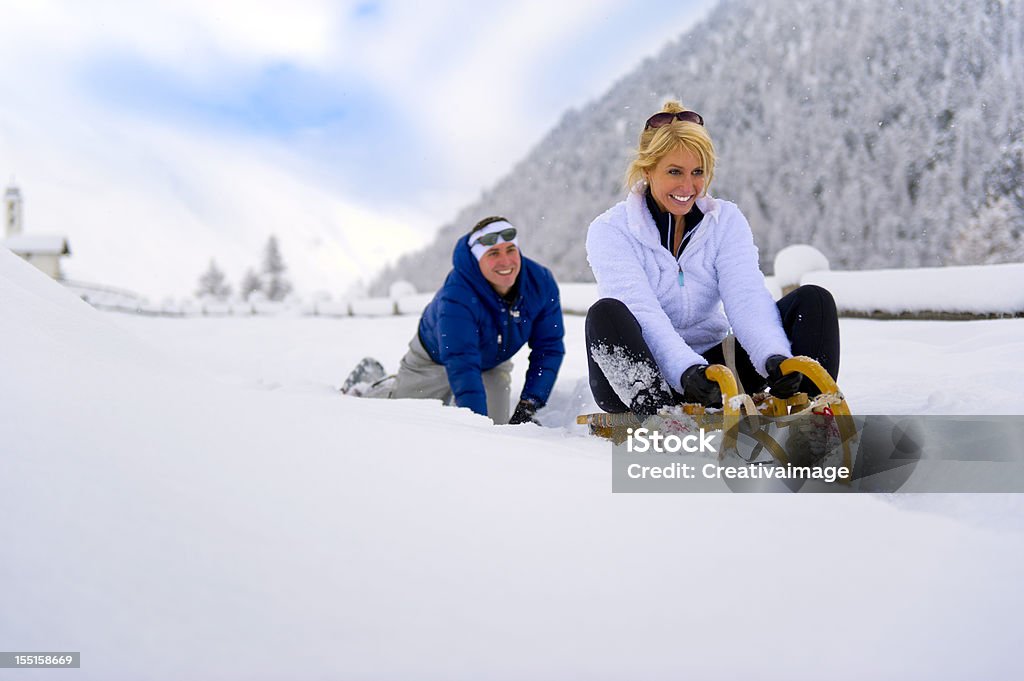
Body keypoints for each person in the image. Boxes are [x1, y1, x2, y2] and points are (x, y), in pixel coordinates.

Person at [584, 101, 840, 419]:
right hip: (641, 376)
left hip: (714, 373)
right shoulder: (611, 230)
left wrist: (773, 356)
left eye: (698, 172)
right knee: (606, 313)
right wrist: (685, 370)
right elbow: (641, 310)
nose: (687, 186)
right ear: (647, 170)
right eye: (674, 172)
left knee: (814, 301)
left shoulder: (725, 221)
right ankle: (661, 421)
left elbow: (745, 296)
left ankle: (814, 415)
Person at [341, 216, 565, 425]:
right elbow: (462, 361)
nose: (505, 261)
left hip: (492, 363)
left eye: (510, 250)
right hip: (433, 359)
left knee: (496, 425)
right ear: (478, 260)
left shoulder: (540, 282)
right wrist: (476, 424)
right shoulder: (457, 295)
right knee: (404, 418)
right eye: (493, 253)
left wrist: (529, 405)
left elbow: (549, 348)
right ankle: (374, 385)